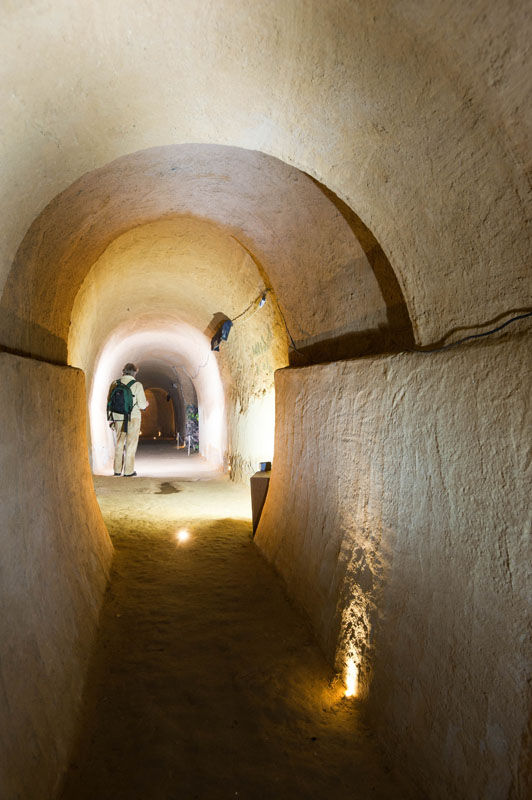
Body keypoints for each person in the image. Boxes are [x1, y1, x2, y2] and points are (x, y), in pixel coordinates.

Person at [108, 363, 148, 477]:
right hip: (133, 418)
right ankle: (128, 471)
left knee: (119, 443)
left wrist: (111, 418)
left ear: (123, 371)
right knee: (131, 444)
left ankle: (117, 470)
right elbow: (142, 405)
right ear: (135, 372)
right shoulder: (137, 385)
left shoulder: (115, 383)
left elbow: (109, 402)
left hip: (118, 417)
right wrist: (146, 404)